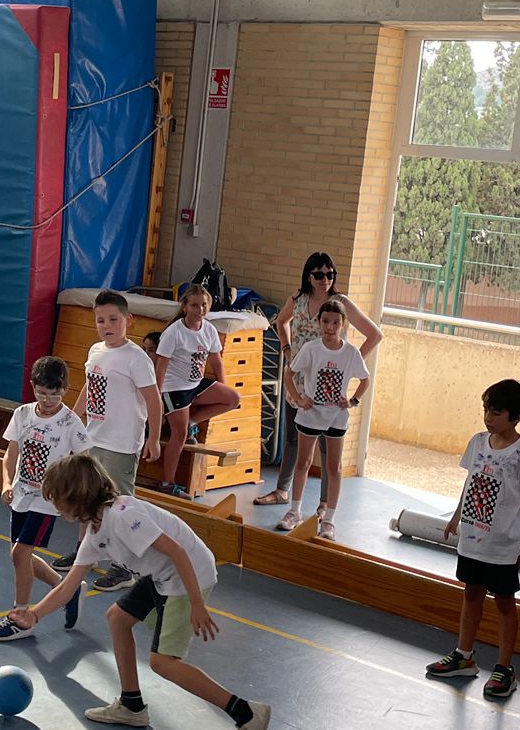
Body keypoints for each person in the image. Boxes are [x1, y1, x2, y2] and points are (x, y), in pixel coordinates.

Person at [12, 454, 271, 730]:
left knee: (163, 662)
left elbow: (176, 551)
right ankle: (132, 706)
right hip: (162, 574)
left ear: (77, 495)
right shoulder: (95, 532)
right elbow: (68, 587)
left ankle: (246, 713)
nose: (55, 505)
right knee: (117, 618)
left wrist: (196, 603)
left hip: (188, 574)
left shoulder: (123, 516)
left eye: (57, 498)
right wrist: (35, 614)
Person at [426, 378, 520, 702]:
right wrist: (456, 517)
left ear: (517, 416)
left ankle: (505, 668)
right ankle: (464, 655)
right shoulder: (478, 442)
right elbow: (471, 482)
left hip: (503, 544)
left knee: (504, 603)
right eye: (486, 410)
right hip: (473, 537)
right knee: (472, 593)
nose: (488, 418)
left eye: (496, 412)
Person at [256, 252, 381, 508]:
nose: (325, 279)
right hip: (299, 379)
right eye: (319, 274)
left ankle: (325, 503)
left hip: (328, 384)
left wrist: (350, 362)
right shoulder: (298, 299)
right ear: (309, 276)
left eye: (330, 274)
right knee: (293, 438)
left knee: (327, 447)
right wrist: (287, 349)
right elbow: (282, 321)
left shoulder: (340, 303)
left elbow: (374, 334)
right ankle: (282, 490)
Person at [61, 289, 164, 592]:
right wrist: (73, 418)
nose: (106, 326)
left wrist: (154, 438)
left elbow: (154, 400)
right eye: (100, 320)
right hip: (94, 438)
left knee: (120, 505)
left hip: (121, 443)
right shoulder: (96, 351)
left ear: (128, 320)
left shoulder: (136, 359)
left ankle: (125, 567)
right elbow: (90, 388)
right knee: (86, 496)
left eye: (113, 319)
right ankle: (84, 552)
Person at [0, 356, 90, 644]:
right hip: (21, 495)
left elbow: (84, 461)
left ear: (65, 390)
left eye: (55, 394)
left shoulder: (70, 422)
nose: (48, 400)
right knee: (19, 555)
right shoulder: (23, 415)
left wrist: (72, 493)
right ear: (33, 387)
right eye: (42, 393)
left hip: (47, 501)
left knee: (20, 554)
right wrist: (7, 482)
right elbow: (11, 453)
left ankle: (20, 616)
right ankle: (67, 590)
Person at [279, 300, 368, 538]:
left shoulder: (351, 353)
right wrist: (299, 398)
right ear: (319, 322)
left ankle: (328, 519)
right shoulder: (311, 349)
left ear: (343, 324)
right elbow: (289, 373)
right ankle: (294, 512)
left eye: (335, 322)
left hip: (336, 417)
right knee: (303, 462)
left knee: (334, 466)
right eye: (326, 321)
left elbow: (365, 379)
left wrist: (353, 400)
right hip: (310, 415)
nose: (330, 327)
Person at [154, 287, 241, 494]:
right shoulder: (174, 332)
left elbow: (216, 362)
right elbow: (161, 366)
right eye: (194, 305)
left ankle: (192, 421)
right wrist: (157, 397)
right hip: (175, 389)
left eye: (204, 305)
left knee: (233, 398)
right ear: (185, 307)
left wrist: (222, 386)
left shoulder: (209, 329)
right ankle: (167, 483)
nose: (200, 309)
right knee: (179, 435)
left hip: (195, 385)